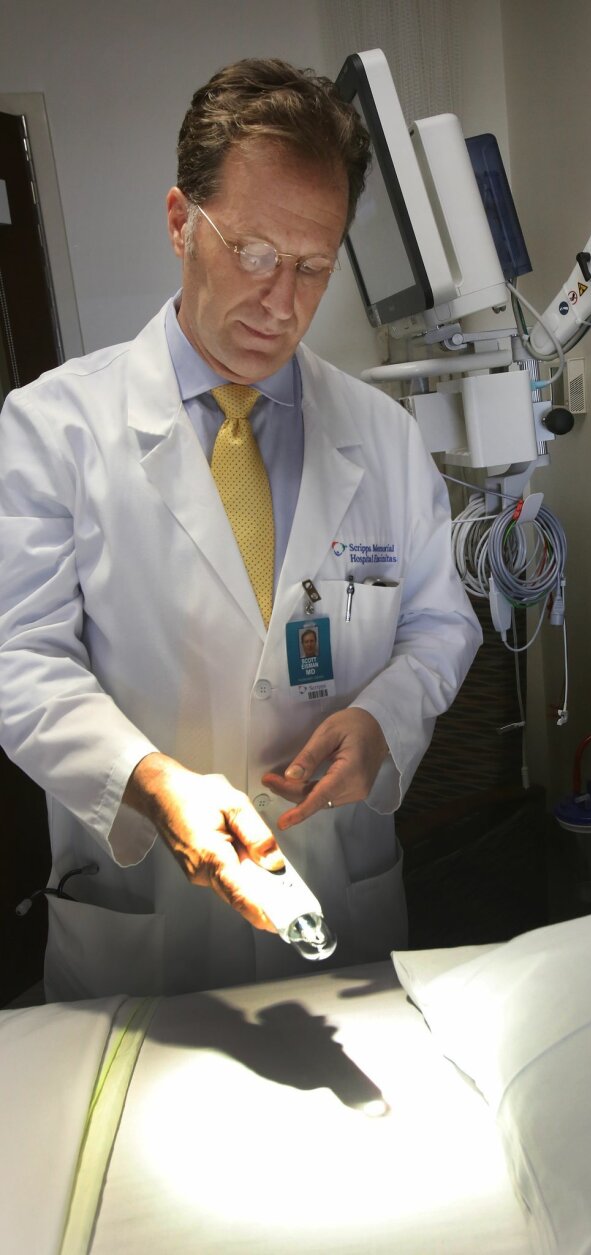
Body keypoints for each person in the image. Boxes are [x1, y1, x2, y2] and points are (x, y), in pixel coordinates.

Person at [0, 58, 481, 1000]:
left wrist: (384, 720)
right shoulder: (52, 427)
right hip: (146, 936)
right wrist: (144, 779)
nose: (282, 302)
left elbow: (441, 624)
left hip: (343, 904)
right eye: (254, 253)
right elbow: (19, 654)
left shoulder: (381, 436)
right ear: (182, 221)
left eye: (312, 267)